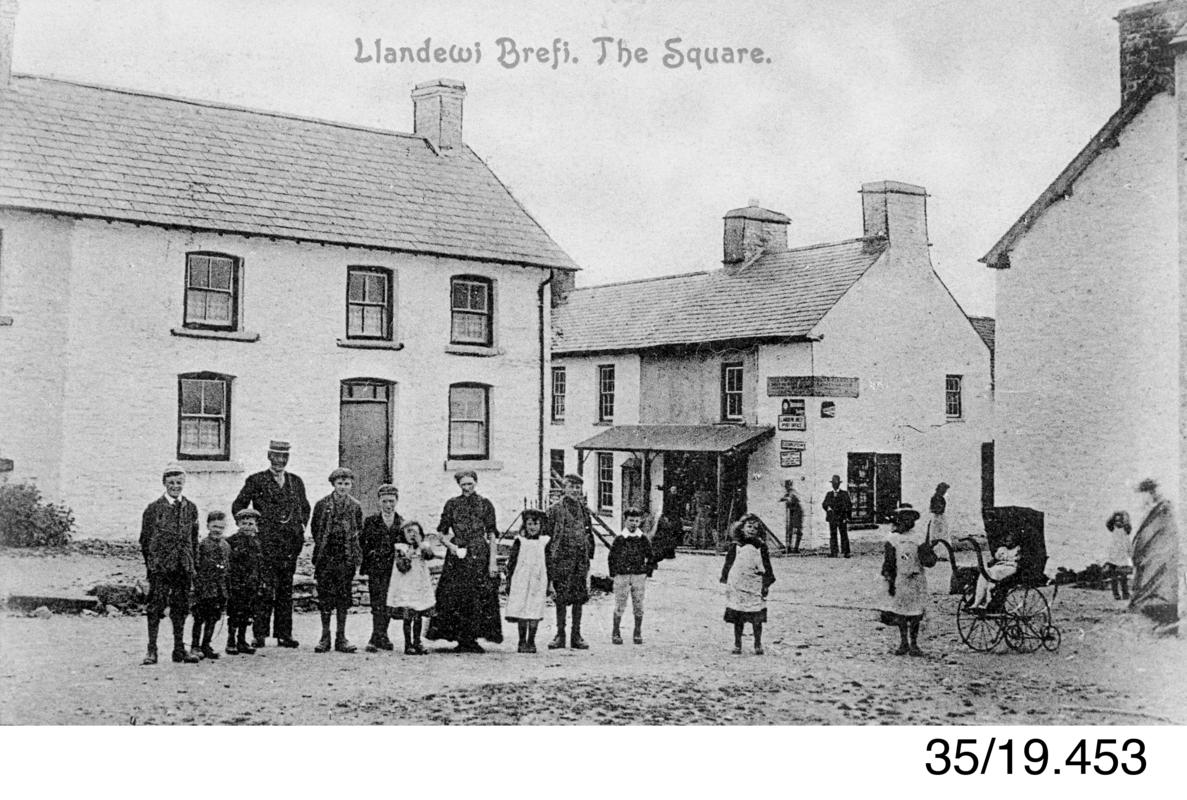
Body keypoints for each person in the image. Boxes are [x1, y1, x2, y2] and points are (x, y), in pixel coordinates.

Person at [231, 440, 310, 649]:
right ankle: (260, 634)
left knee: (285, 590)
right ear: (269, 457)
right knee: (263, 589)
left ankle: (284, 634)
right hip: (263, 546)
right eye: (276, 457)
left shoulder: (295, 482)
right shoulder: (256, 480)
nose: (280, 461)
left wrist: (299, 530)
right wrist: (250, 530)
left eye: (284, 457)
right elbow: (238, 505)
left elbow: (305, 508)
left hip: (288, 546)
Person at [427, 470, 503, 652]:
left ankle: (473, 638)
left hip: (479, 554)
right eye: (463, 485)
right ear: (459, 485)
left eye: (470, 484)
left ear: (475, 483)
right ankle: (461, 638)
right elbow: (441, 534)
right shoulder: (452, 505)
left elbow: (492, 534)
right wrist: (452, 548)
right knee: (456, 596)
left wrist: (493, 562)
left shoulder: (485, 504)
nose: (467, 488)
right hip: (458, 556)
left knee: (478, 596)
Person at [139, 464, 201, 665]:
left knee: (181, 607)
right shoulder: (153, 509)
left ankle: (178, 648)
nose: (175, 486)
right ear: (164, 484)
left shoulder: (190, 508)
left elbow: (193, 539)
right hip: (161, 567)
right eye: (171, 482)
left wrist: (193, 564)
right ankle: (152, 649)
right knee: (156, 606)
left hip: (183, 565)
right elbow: (145, 540)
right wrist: (152, 564)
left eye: (179, 483)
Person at [311, 467, 364, 654]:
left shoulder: (355, 506)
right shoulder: (322, 504)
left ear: (351, 485)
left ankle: (341, 637)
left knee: (343, 597)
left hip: (345, 557)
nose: (343, 487)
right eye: (339, 483)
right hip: (326, 557)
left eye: (347, 484)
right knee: (325, 598)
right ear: (333, 484)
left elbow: (359, 530)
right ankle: (325, 637)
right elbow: (315, 529)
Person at [546, 473, 596, 650]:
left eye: (578, 487)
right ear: (564, 488)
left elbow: (588, 533)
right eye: (571, 487)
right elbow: (548, 536)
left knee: (578, 598)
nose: (575, 490)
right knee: (561, 598)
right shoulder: (555, 510)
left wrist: (588, 554)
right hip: (561, 560)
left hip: (579, 560)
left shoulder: (583, 510)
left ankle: (576, 635)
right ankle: (560, 634)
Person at [880, 502, 933, 655]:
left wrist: (928, 554)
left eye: (910, 519)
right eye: (904, 518)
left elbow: (928, 559)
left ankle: (914, 644)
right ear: (899, 520)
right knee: (901, 612)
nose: (907, 522)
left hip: (917, 578)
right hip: (901, 579)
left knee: (916, 612)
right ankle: (904, 642)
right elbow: (889, 561)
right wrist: (889, 580)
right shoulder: (893, 539)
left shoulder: (919, 537)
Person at [720, 513, 776, 655]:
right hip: (738, 586)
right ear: (742, 528)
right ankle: (737, 643)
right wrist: (726, 579)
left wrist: (766, 583)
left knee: (756, 617)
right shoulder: (736, 546)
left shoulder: (761, 547)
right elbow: (729, 563)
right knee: (738, 617)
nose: (752, 530)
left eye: (755, 528)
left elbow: (767, 566)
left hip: (754, 585)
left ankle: (757, 643)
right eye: (749, 526)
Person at [1130, 479, 1180, 634]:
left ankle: (1165, 625)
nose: (1140, 499)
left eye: (1142, 494)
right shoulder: (1154, 510)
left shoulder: (1162, 510)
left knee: (1159, 591)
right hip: (1153, 562)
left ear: (1149, 492)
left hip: (1160, 561)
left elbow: (1158, 535)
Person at [360, 484, 404, 652]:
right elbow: (364, 543)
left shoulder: (402, 522)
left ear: (397, 501)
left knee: (388, 601)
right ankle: (377, 635)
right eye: (385, 501)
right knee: (376, 602)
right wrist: (372, 555)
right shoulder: (371, 521)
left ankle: (380, 635)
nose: (388, 505)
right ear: (379, 502)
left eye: (391, 501)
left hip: (393, 569)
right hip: (376, 567)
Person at [386, 521, 437, 655]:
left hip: (420, 585)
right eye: (409, 532)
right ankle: (408, 644)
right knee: (408, 615)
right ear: (402, 534)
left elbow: (430, 556)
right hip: (406, 585)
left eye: (416, 532)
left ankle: (417, 641)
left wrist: (420, 543)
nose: (412, 535)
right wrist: (407, 556)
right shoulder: (400, 548)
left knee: (419, 615)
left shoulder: (423, 546)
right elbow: (402, 567)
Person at [505, 509, 550, 653]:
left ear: (541, 525)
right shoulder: (520, 541)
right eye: (529, 524)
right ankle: (521, 641)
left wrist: (550, 583)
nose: (533, 527)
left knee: (535, 609)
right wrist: (509, 581)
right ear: (524, 525)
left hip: (538, 579)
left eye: (536, 524)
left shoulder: (545, 542)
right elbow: (511, 563)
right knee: (522, 609)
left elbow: (549, 563)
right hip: (521, 579)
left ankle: (532, 641)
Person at [189, 510, 231, 660]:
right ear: (207, 526)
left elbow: (227, 569)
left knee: (213, 618)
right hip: (205, 588)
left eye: (220, 527)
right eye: (214, 526)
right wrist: (196, 587)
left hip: (219, 589)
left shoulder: (226, 546)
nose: (217, 530)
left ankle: (206, 645)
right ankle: (195, 646)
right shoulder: (202, 545)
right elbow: (197, 566)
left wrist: (226, 590)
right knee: (200, 618)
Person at [609, 507, 654, 645]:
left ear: (640, 521)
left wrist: (647, 572)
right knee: (620, 604)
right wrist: (614, 574)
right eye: (630, 520)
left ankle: (637, 631)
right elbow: (611, 557)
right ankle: (616, 632)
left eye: (636, 520)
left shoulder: (643, 539)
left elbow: (650, 557)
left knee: (638, 603)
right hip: (622, 576)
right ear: (625, 521)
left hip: (638, 575)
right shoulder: (619, 539)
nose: (633, 523)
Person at [225, 508, 263, 655]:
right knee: (235, 612)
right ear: (238, 524)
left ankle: (242, 640)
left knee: (247, 612)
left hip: (251, 584)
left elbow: (260, 563)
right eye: (244, 523)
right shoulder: (231, 541)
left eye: (251, 523)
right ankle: (231, 641)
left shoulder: (257, 542)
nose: (247, 526)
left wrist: (260, 581)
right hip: (236, 584)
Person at [970, 530, 1019, 610]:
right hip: (999, 566)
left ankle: (989, 602)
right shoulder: (1002, 549)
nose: (1008, 543)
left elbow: (1017, 560)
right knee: (985, 573)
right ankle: (977, 601)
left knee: (994, 574)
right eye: (1006, 541)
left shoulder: (1017, 549)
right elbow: (995, 558)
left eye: (1010, 541)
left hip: (1010, 567)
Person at [1104, 510, 1133, 601]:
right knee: (1114, 578)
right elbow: (1108, 523)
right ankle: (1116, 594)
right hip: (1113, 556)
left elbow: (1128, 544)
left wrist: (1130, 554)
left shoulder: (1125, 531)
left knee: (1123, 577)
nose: (1118, 523)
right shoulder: (1113, 529)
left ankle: (1125, 594)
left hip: (1122, 556)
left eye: (1120, 521)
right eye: (1116, 521)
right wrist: (1113, 514)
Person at [822, 475, 852, 558]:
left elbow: (849, 506)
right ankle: (834, 552)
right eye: (833, 483)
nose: (835, 485)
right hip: (832, 518)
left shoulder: (844, 494)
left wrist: (847, 517)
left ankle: (846, 552)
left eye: (836, 483)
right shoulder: (829, 494)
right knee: (833, 535)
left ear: (839, 484)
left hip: (842, 517)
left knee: (843, 534)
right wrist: (827, 507)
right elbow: (824, 504)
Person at [780, 480, 804, 552]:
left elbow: (790, 499)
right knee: (789, 530)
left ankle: (796, 547)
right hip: (792, 512)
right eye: (786, 486)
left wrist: (786, 499)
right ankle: (789, 547)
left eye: (788, 485)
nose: (786, 487)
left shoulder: (793, 492)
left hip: (797, 512)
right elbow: (783, 499)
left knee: (797, 530)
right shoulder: (787, 493)